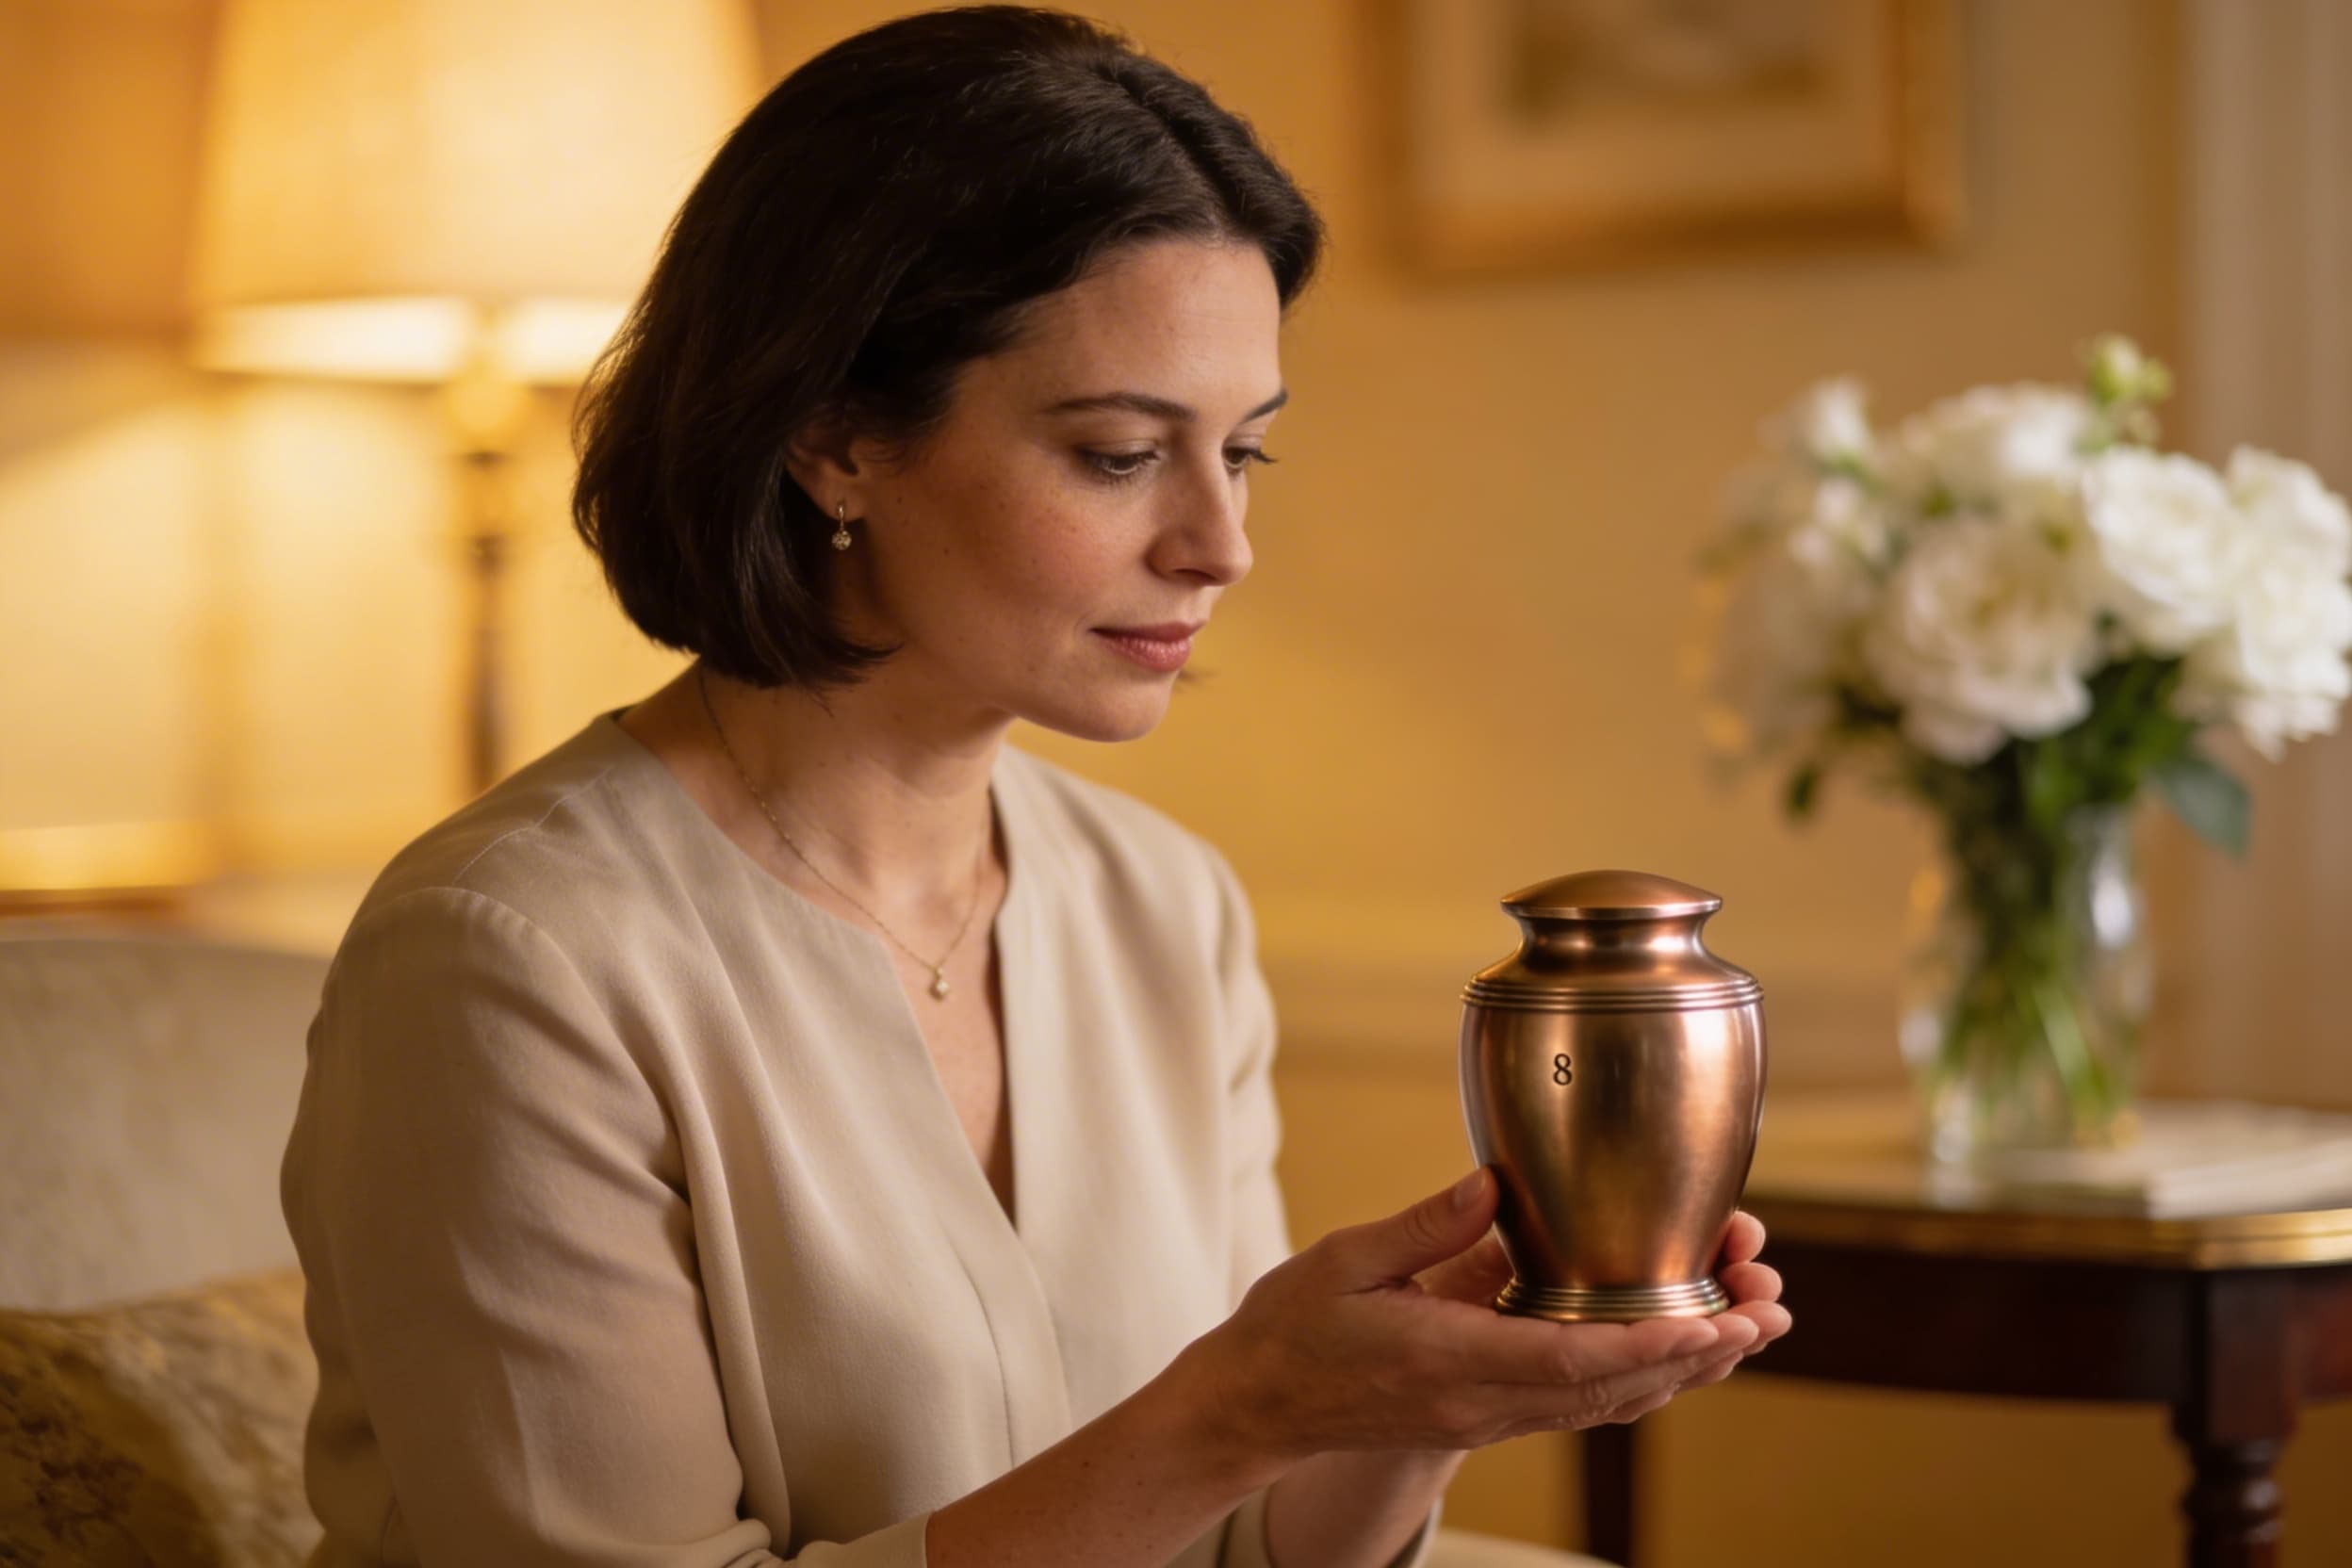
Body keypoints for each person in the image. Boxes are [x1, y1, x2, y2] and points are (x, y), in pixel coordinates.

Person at [278, 8, 1791, 1566]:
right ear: (833, 438)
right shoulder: (507, 960)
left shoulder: (1164, 903)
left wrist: (1406, 1408)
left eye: (1244, 454)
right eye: (1122, 454)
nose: (1221, 546)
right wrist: (1238, 1410)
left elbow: (1229, 1550)